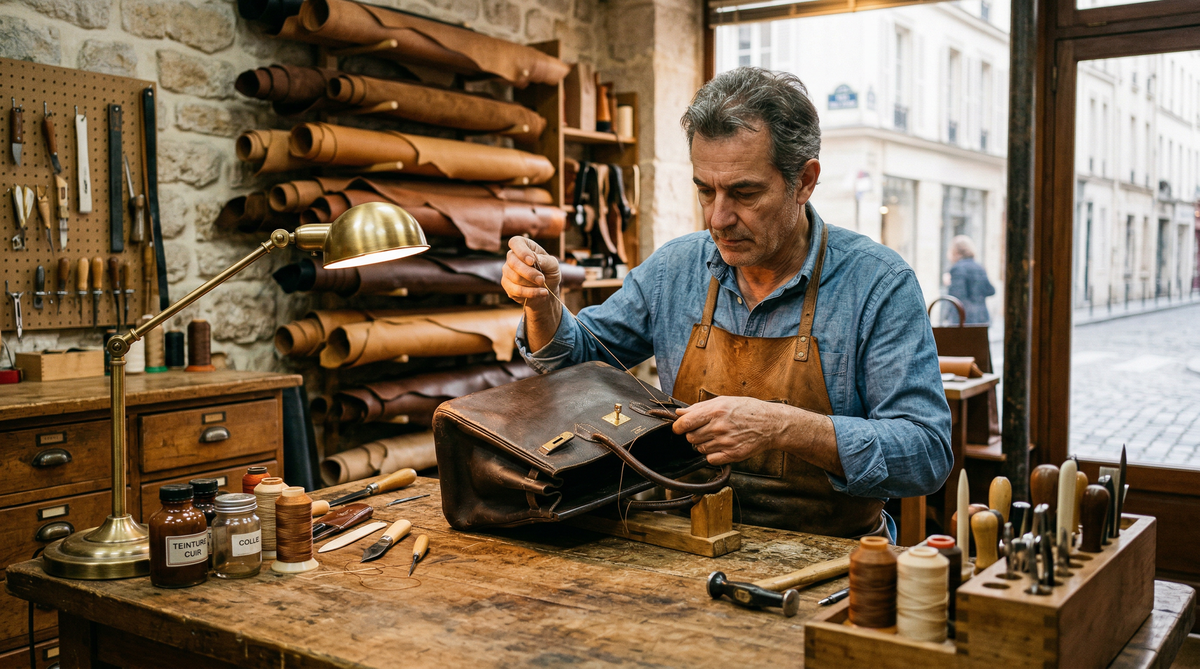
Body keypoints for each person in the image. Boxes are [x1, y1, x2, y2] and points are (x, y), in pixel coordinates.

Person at [501, 67, 952, 540]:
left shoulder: (878, 283)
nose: (718, 218)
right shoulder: (676, 269)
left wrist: (783, 426)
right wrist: (541, 305)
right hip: (685, 543)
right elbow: (576, 364)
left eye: (744, 192)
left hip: (834, 559)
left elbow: (925, 454)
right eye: (705, 189)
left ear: (805, 180)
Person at [942, 235, 996, 325]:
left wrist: (949, 283)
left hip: (963, 320)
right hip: (981, 318)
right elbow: (990, 290)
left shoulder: (957, 268)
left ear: (955, 251)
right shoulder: (979, 267)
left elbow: (957, 297)